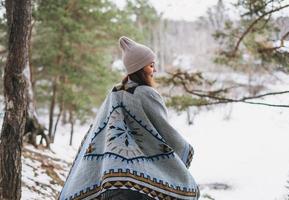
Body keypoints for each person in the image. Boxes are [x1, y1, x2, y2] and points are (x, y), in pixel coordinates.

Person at [59, 36, 200, 200]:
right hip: (138, 177)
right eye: (151, 65)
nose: (154, 70)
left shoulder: (116, 92)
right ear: (140, 68)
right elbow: (164, 131)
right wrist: (185, 149)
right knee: (187, 190)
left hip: (110, 173)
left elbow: (100, 127)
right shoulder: (147, 94)